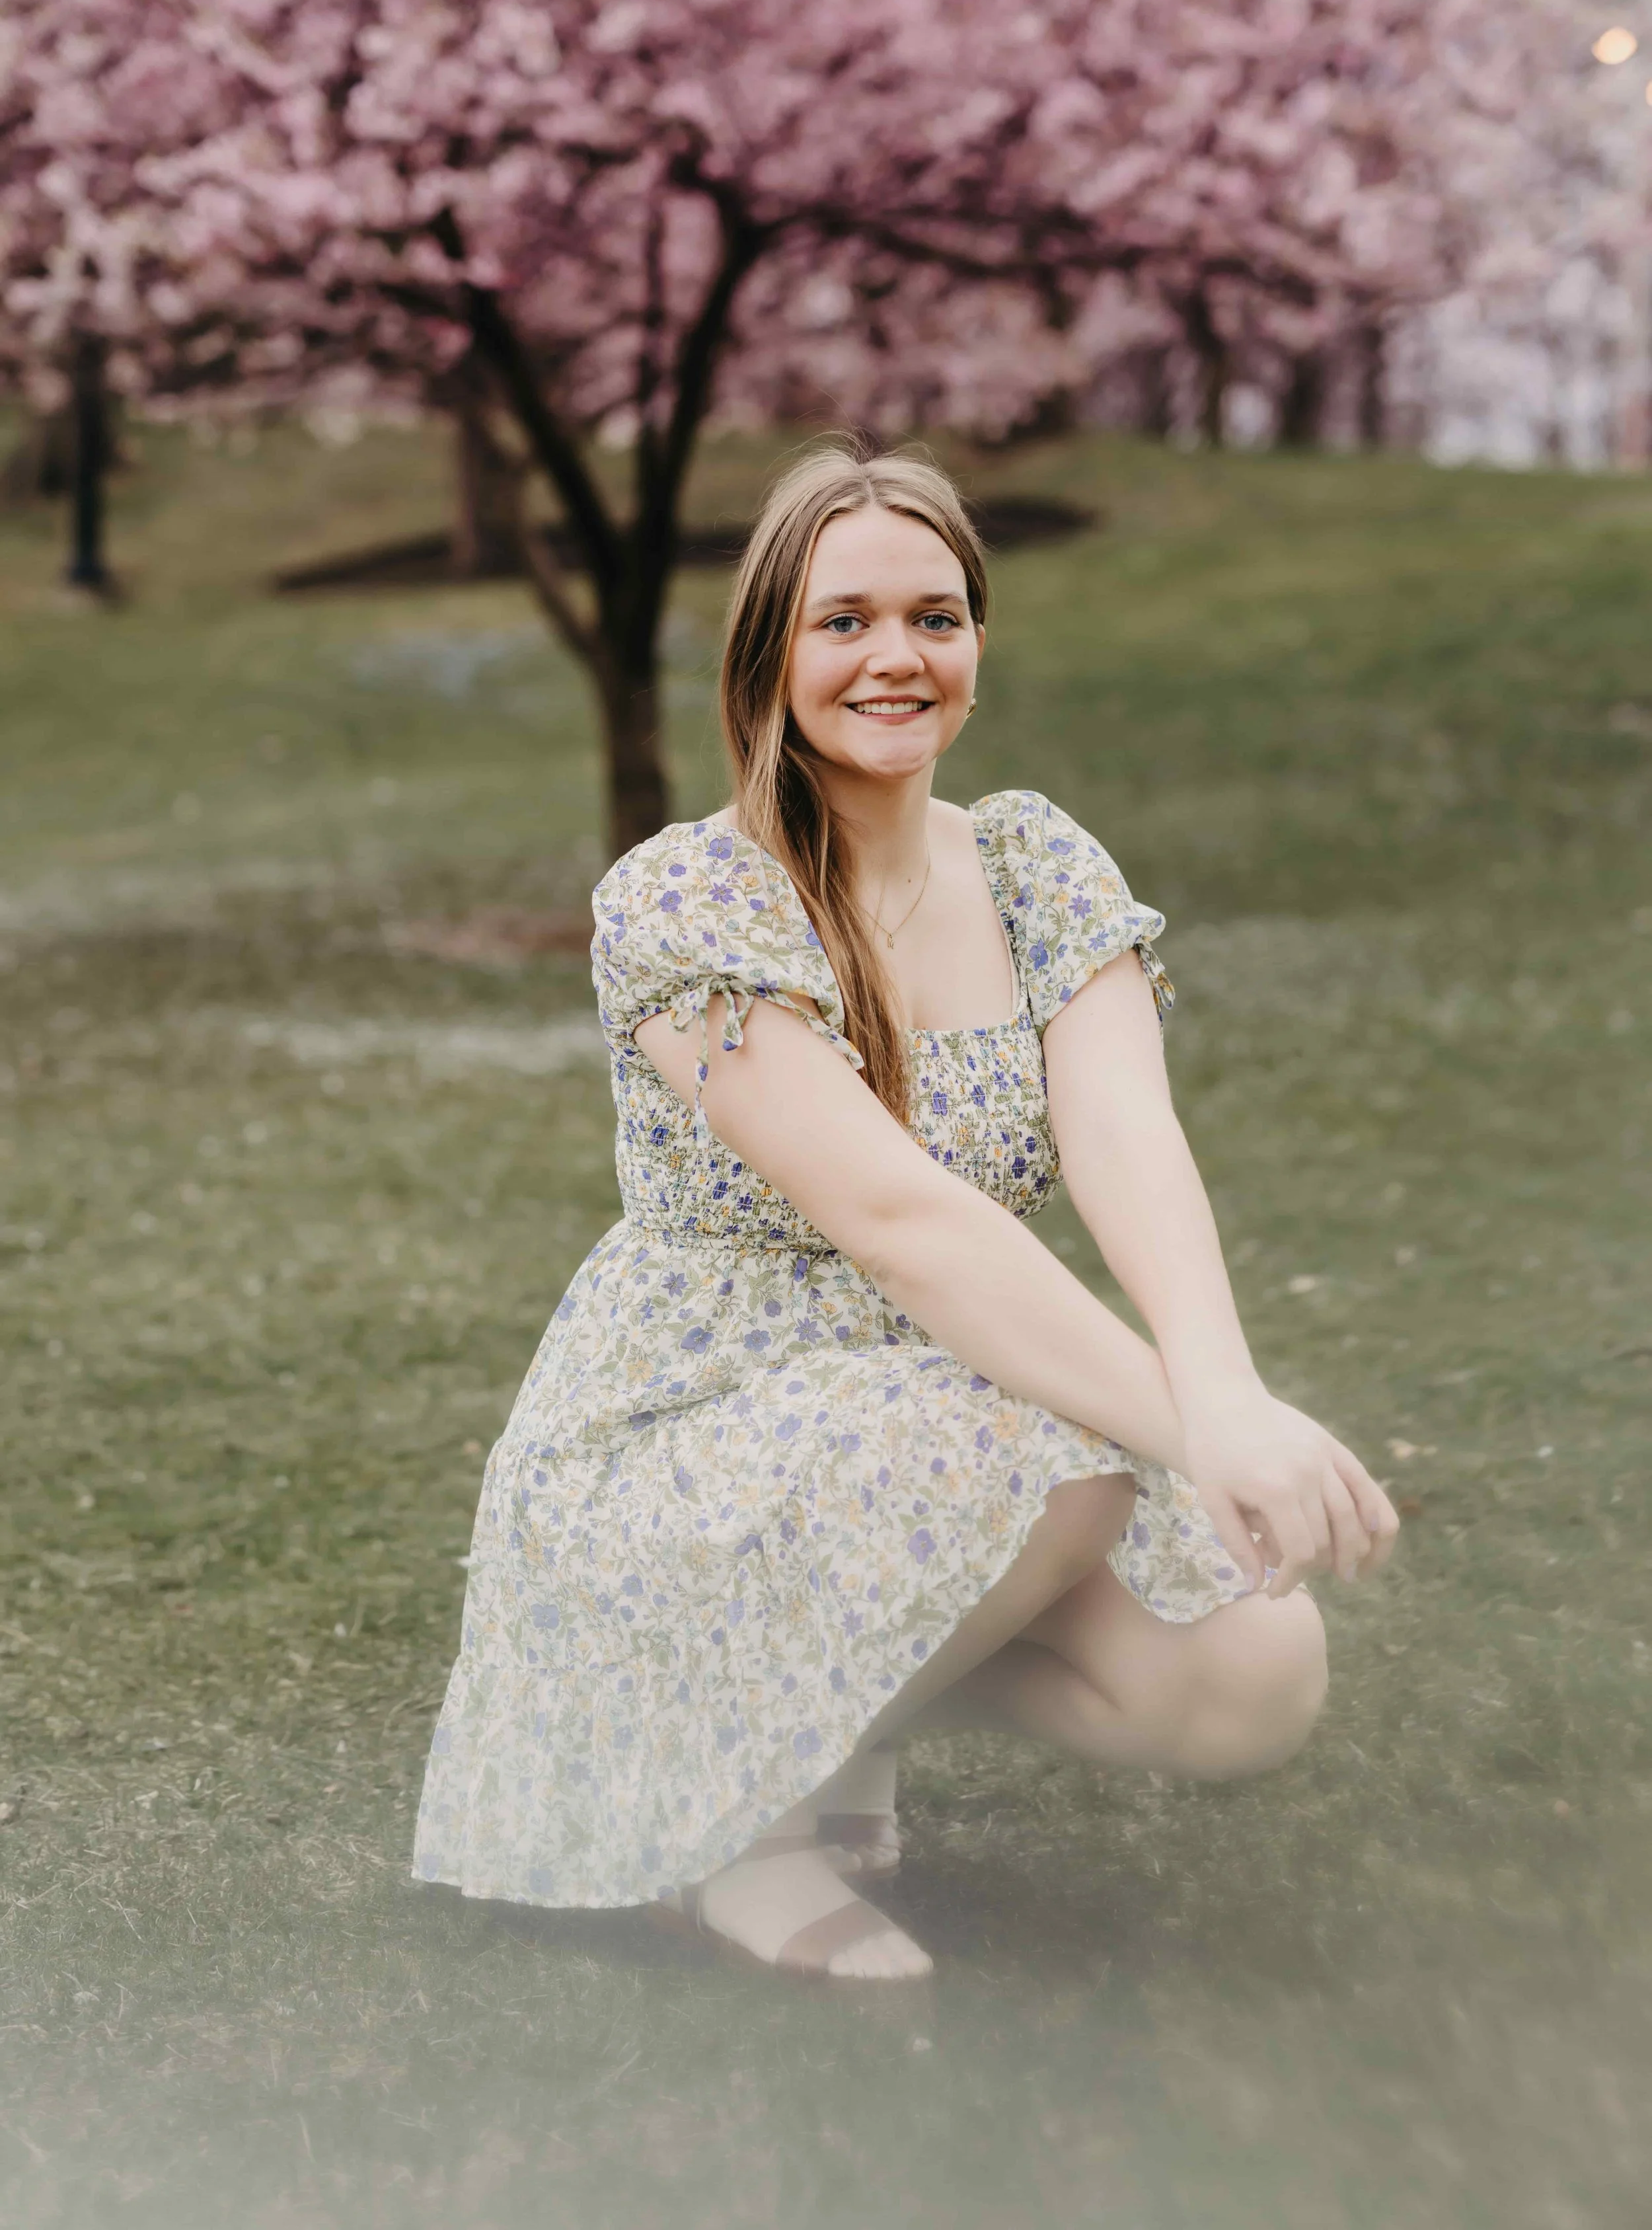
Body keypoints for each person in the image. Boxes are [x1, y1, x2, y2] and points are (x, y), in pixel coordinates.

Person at [413, 441, 1399, 1983]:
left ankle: (827, 1699)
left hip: (958, 1393)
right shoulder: (687, 901)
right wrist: (1189, 1436)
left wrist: (1223, 1390)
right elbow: (897, 1219)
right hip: (702, 1414)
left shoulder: (1028, 861)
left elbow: (1126, 1132)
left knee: (1251, 1671)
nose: (896, 656)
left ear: (977, 647)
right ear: (768, 657)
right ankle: (734, 1821)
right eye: (843, 620)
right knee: (1056, 1472)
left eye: (934, 617)